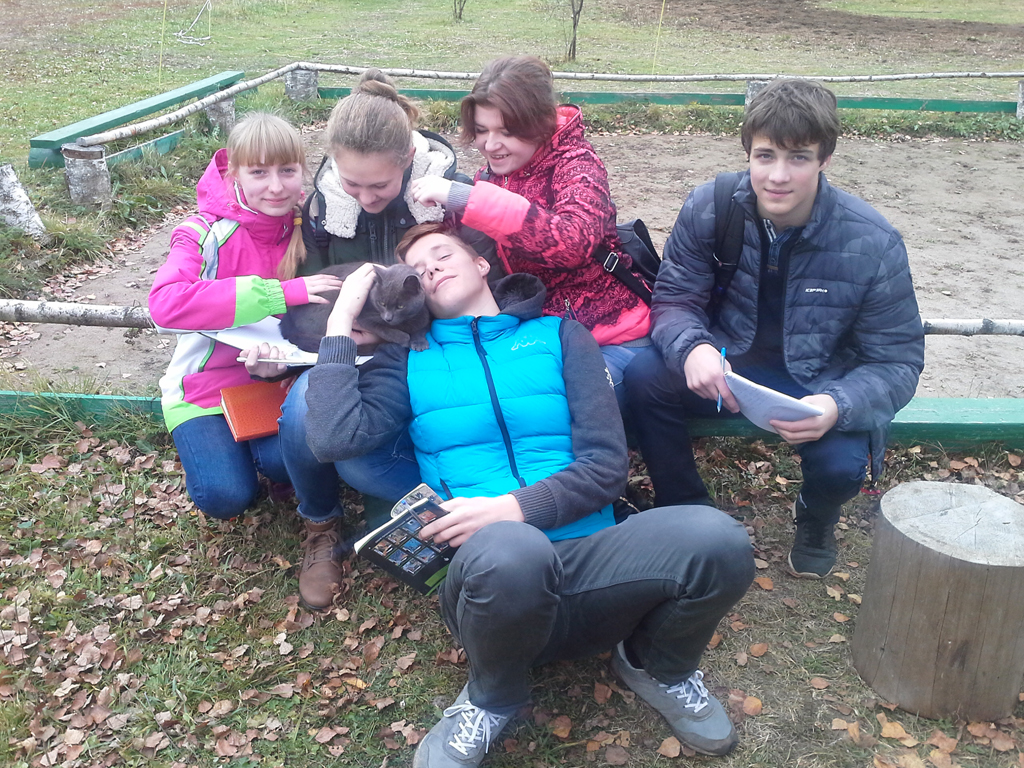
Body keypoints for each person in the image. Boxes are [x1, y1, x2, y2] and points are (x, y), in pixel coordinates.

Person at [302, 223, 754, 767]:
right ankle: (491, 697)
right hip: (493, 578)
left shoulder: (559, 335)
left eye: (442, 254)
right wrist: (340, 322)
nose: (431, 269)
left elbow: (606, 465)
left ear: (481, 264)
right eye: (417, 272)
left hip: (597, 564)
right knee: (514, 548)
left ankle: (657, 664)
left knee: (719, 539)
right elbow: (332, 439)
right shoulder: (406, 362)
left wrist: (512, 507)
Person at [625, 78, 924, 579]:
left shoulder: (872, 241)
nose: (778, 176)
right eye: (765, 156)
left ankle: (815, 515)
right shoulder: (711, 207)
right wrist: (693, 348)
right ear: (748, 153)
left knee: (841, 467)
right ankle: (687, 509)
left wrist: (837, 405)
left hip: (819, 382)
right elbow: (675, 300)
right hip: (728, 364)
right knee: (644, 377)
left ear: (825, 159)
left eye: (798, 157)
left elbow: (898, 361)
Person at [275, 69, 496, 610]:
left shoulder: (447, 194)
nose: (365, 196)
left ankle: (468, 503)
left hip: (431, 340)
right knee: (303, 412)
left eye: (379, 185)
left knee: (372, 451)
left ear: (408, 161)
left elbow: (470, 279)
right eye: (353, 184)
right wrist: (341, 331)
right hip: (358, 345)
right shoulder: (324, 207)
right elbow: (319, 289)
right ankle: (321, 525)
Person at [409, 55, 651, 410]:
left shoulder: (577, 164)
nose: (490, 144)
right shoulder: (491, 177)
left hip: (610, 336)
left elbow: (573, 242)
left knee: (560, 408)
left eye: (507, 132)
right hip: (543, 337)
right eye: (482, 130)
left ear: (540, 124)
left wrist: (467, 198)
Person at [148, 112, 343, 520]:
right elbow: (164, 304)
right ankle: (226, 456)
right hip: (204, 391)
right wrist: (279, 294)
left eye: (287, 170)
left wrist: (284, 368)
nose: (276, 186)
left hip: (277, 384)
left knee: (286, 461)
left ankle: (269, 462)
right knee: (224, 495)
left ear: (302, 170)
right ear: (234, 173)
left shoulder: (312, 227)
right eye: (259, 172)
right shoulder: (203, 231)